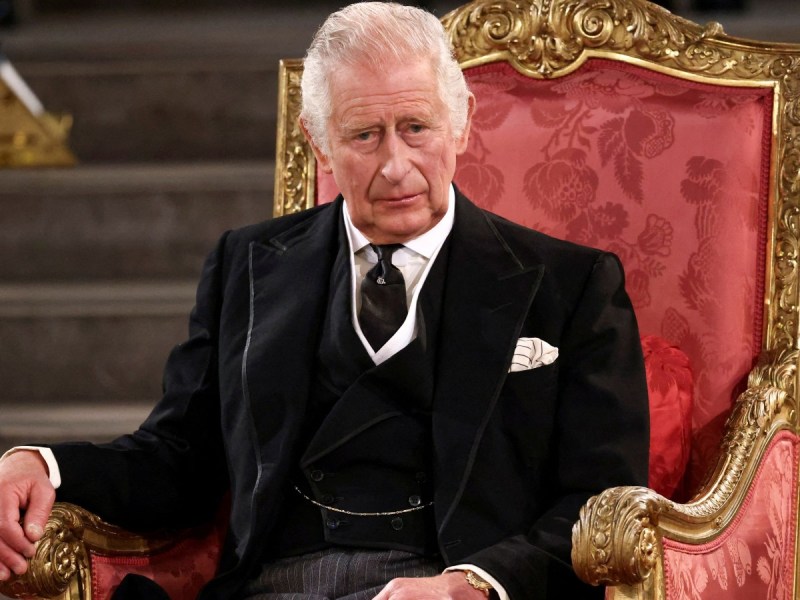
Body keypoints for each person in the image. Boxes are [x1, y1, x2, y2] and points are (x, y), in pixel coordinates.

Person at [0, 3, 649, 598]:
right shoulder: (246, 265)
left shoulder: (570, 284)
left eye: (416, 127)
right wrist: (44, 465)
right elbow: (180, 458)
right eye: (365, 135)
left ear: (461, 124)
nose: (395, 165)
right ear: (319, 142)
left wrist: (474, 585)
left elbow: (601, 503)